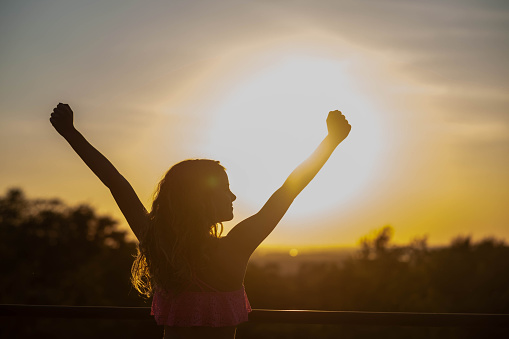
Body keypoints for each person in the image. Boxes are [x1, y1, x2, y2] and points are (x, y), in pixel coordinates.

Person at [49, 103, 351, 339]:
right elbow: (289, 190)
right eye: (223, 189)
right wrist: (331, 141)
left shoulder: (158, 243)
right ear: (199, 200)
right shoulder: (236, 247)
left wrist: (71, 134)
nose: (233, 197)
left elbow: (116, 183)